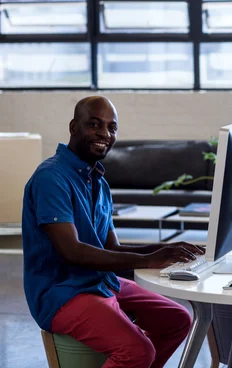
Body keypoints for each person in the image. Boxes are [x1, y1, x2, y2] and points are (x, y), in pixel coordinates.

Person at [22, 96, 206, 368]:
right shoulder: (51, 177)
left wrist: (163, 252)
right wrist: (147, 260)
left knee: (178, 320)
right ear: (74, 127)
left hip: (99, 281)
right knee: (138, 351)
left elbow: (113, 249)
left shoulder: (98, 181)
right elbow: (71, 251)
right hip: (61, 293)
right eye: (94, 125)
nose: (104, 134)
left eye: (112, 128)